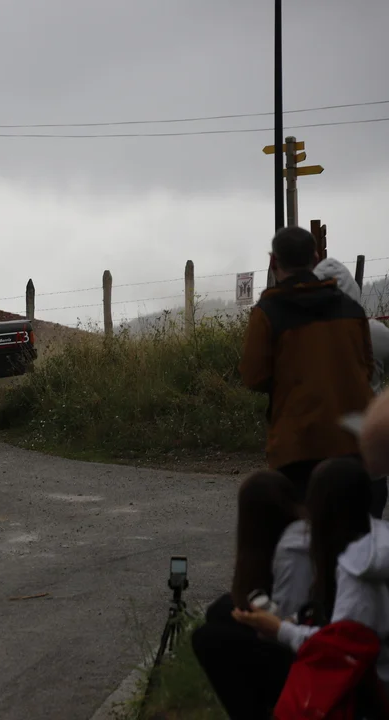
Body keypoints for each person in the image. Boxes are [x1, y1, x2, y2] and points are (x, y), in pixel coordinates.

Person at [233, 458, 389, 712]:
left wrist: (279, 628)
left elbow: (338, 649)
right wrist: (295, 621)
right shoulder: (377, 544)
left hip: (372, 690)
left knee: (218, 636)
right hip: (374, 674)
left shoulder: (359, 572)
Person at [239, 226, 374, 496]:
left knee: (302, 517)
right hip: (352, 440)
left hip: (296, 445)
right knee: (348, 518)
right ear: (315, 259)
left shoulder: (267, 313)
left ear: (273, 262)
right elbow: (367, 369)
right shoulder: (352, 310)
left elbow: (253, 377)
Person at [192, 470, 311, 718]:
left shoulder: (293, 549)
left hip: (304, 653)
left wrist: (263, 620)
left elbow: (287, 622)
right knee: (221, 609)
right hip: (303, 634)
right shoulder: (295, 535)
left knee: (207, 638)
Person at [315, 257, 389, 519]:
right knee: (371, 524)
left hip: (322, 452)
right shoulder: (376, 332)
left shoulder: (304, 337)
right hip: (368, 453)